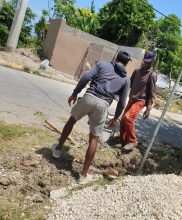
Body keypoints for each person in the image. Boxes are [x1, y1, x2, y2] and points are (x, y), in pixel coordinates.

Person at [51, 51, 131, 184]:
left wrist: (75, 93)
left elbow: (85, 77)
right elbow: (122, 102)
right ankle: (83, 176)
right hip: (103, 105)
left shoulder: (103, 65)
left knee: (72, 121)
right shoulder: (126, 79)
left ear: (115, 58)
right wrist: (116, 117)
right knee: (94, 138)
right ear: (126, 64)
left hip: (89, 97)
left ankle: (58, 149)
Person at [119, 51, 157, 150]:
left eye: (149, 62)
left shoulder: (152, 75)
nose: (146, 63)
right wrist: (120, 93)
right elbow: (129, 84)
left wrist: (148, 108)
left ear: (153, 61)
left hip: (140, 101)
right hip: (132, 99)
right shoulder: (137, 71)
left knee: (128, 118)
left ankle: (132, 141)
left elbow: (152, 93)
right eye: (145, 61)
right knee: (123, 119)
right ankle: (123, 142)